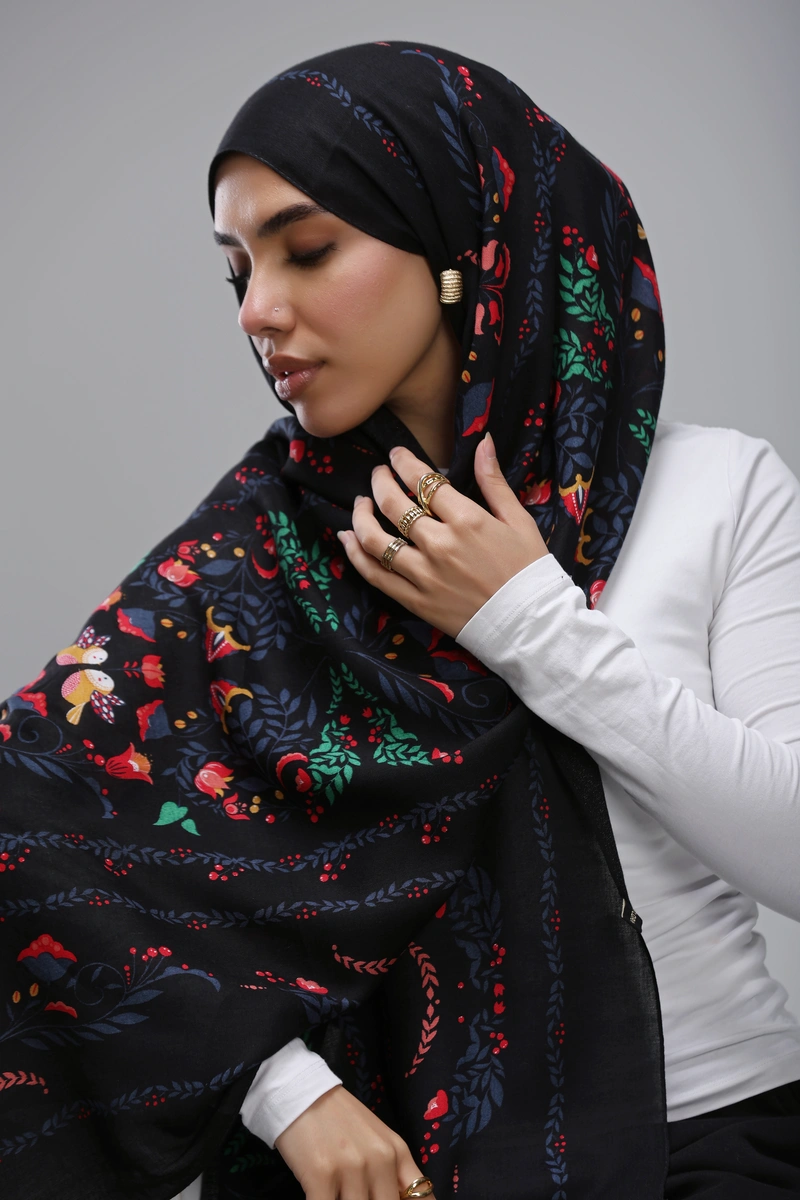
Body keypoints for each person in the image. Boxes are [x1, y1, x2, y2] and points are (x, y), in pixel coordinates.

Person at [1, 39, 799, 1200]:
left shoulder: (715, 490)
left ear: (461, 248)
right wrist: (287, 1095)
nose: (257, 311)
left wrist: (525, 620)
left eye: (308, 249)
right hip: (388, 1178)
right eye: (236, 271)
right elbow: (40, 828)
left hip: (714, 1141)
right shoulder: (250, 556)